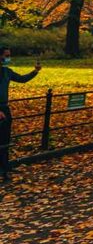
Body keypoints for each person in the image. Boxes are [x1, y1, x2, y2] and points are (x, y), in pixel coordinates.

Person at [0, 48, 41, 183]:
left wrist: (35, 71)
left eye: (9, 56)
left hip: (5, 108)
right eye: (6, 56)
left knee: (5, 140)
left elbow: (22, 79)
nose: (8, 58)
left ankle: (5, 167)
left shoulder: (7, 71)